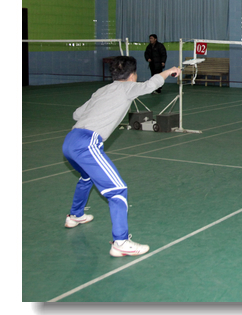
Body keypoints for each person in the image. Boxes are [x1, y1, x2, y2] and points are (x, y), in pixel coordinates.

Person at [62, 56, 181, 256]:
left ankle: (75, 215)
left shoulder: (102, 90)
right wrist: (168, 72)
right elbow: (151, 85)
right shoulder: (128, 88)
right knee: (118, 190)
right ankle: (120, 242)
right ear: (133, 75)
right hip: (87, 144)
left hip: (69, 142)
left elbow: (76, 114)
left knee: (87, 177)